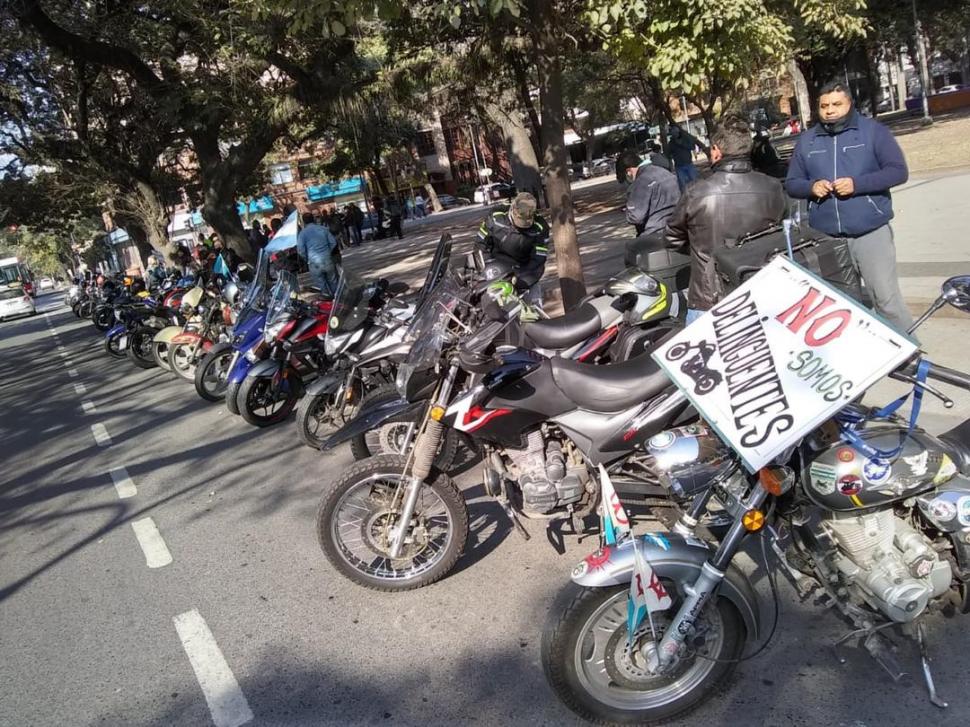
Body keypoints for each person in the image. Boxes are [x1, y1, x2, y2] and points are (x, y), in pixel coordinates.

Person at [785, 80, 912, 333]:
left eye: (836, 104)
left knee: (886, 300)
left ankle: (909, 357)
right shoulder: (807, 141)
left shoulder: (873, 132)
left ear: (849, 104)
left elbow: (898, 172)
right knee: (841, 305)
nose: (829, 110)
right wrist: (811, 187)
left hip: (870, 233)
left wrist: (858, 184)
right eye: (824, 106)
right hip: (827, 238)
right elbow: (792, 183)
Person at [665, 115, 787, 322]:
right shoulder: (773, 186)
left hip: (710, 299)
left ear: (715, 151)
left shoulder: (696, 192)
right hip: (764, 287)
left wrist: (702, 249)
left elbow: (672, 239)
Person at [476, 192, 549, 305]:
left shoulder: (540, 227)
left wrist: (518, 277)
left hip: (525, 271)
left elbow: (539, 258)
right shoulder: (495, 217)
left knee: (532, 309)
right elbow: (481, 245)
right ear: (512, 210)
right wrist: (487, 269)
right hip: (496, 268)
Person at [619, 149, 681, 237]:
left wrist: (629, 209)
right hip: (679, 227)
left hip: (657, 232)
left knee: (631, 247)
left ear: (629, 171)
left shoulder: (640, 182)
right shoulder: (665, 172)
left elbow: (635, 217)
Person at [297, 212, 339, 297]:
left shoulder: (302, 234)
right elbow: (333, 242)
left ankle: (328, 299)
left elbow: (301, 250)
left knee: (321, 283)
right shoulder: (323, 229)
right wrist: (327, 252)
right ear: (314, 219)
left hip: (314, 262)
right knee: (333, 281)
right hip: (327, 259)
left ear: (304, 221)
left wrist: (307, 258)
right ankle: (338, 299)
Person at [668, 124, 708, 191]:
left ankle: (699, 194)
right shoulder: (671, 143)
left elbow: (692, 147)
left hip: (689, 164)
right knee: (683, 185)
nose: (674, 134)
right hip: (679, 166)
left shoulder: (685, 139)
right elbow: (669, 154)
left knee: (695, 182)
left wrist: (682, 144)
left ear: (678, 133)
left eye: (675, 133)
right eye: (673, 133)